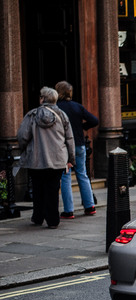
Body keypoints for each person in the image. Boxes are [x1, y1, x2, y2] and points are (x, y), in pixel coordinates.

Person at [17, 87, 75, 229]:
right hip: (57, 160)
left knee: (38, 189)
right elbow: (69, 139)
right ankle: (53, 221)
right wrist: (71, 159)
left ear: (42, 99)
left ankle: (38, 217)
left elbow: (22, 136)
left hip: (36, 159)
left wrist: (23, 148)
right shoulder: (62, 115)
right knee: (53, 190)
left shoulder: (32, 115)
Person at [55, 81, 99, 218]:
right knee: (82, 174)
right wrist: (83, 128)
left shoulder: (56, 108)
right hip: (79, 144)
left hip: (64, 146)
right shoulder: (77, 107)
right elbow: (94, 120)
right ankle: (89, 206)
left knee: (66, 176)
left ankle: (69, 210)